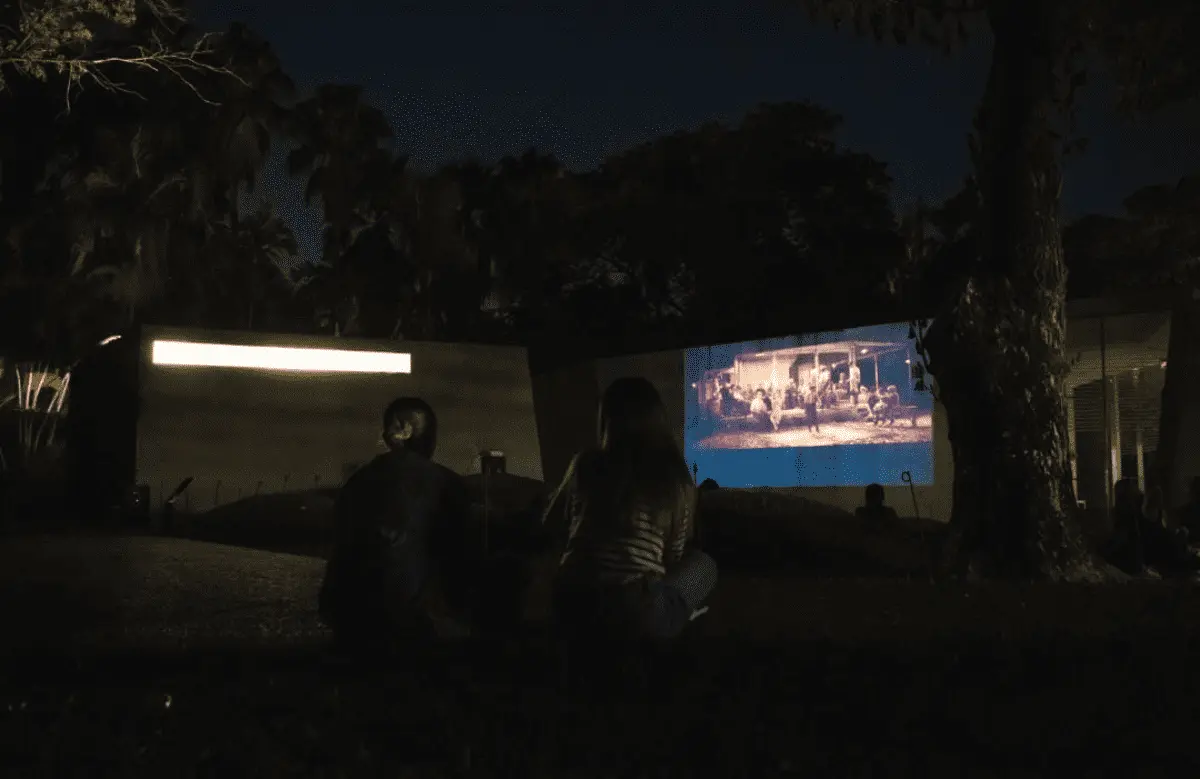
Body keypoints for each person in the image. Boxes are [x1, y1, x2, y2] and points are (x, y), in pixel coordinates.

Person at [545, 377, 718, 643]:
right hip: (632, 611)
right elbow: (673, 557)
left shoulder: (586, 463)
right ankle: (675, 621)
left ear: (607, 421)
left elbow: (553, 525)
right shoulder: (675, 478)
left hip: (569, 601)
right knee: (704, 564)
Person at [319, 397, 475, 654]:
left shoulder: (358, 482)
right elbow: (458, 566)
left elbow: (340, 551)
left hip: (351, 619)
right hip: (409, 628)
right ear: (407, 431)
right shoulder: (447, 484)